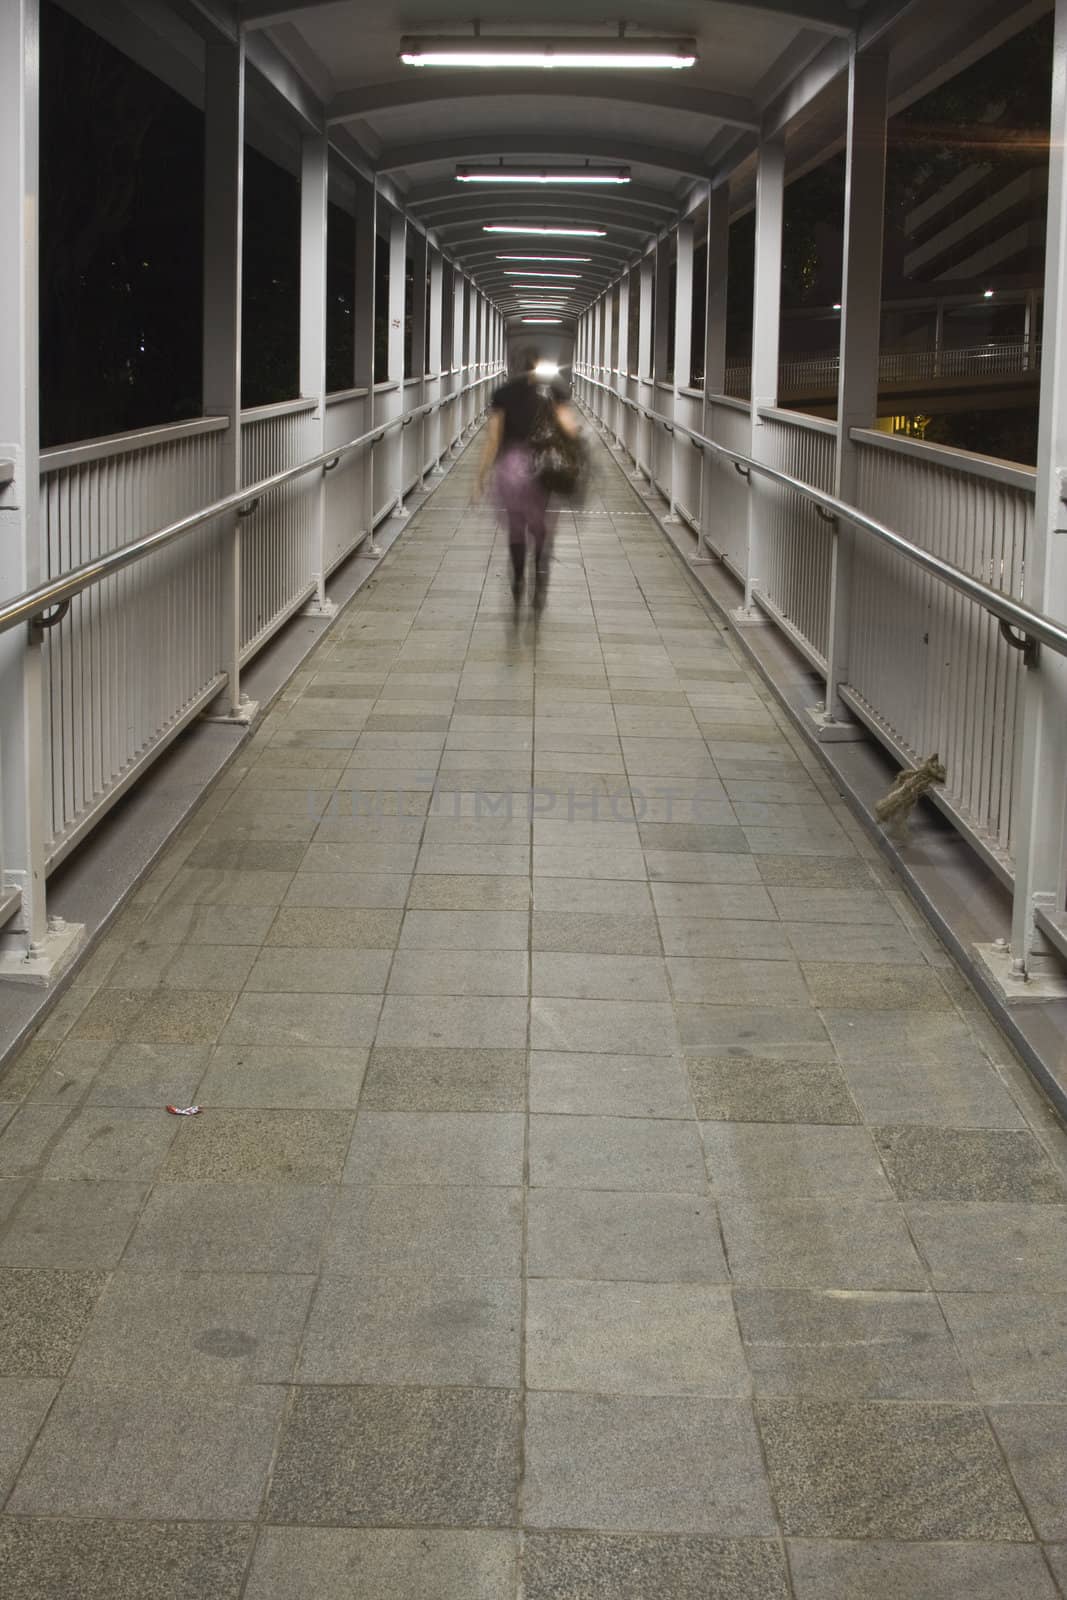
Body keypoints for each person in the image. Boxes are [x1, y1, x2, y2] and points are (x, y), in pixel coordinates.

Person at [477, 349, 581, 615]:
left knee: (516, 526)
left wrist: (480, 475)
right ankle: (540, 578)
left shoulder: (503, 393)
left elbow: (493, 439)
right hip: (542, 467)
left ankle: (518, 580)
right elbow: (569, 429)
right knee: (541, 528)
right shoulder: (554, 391)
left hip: (510, 469)